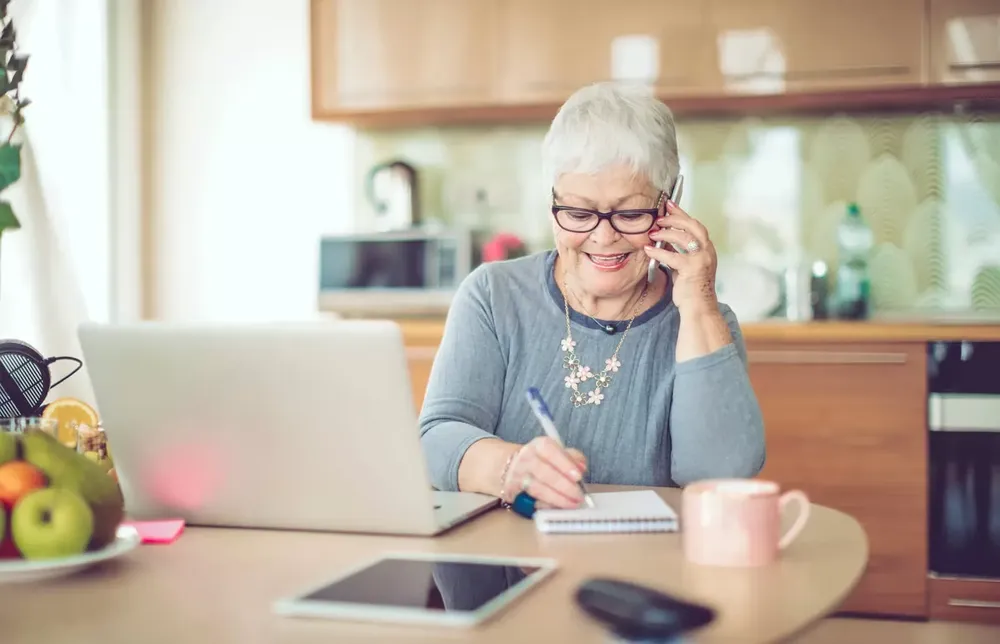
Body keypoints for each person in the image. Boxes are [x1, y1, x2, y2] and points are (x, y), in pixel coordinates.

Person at [418, 82, 765, 510]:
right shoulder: (494, 296)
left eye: (631, 213)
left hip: (648, 569)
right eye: (579, 213)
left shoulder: (707, 322)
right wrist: (510, 468)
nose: (603, 237)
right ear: (552, 205)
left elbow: (720, 478)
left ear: (671, 202)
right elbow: (435, 436)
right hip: (510, 564)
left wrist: (697, 305)